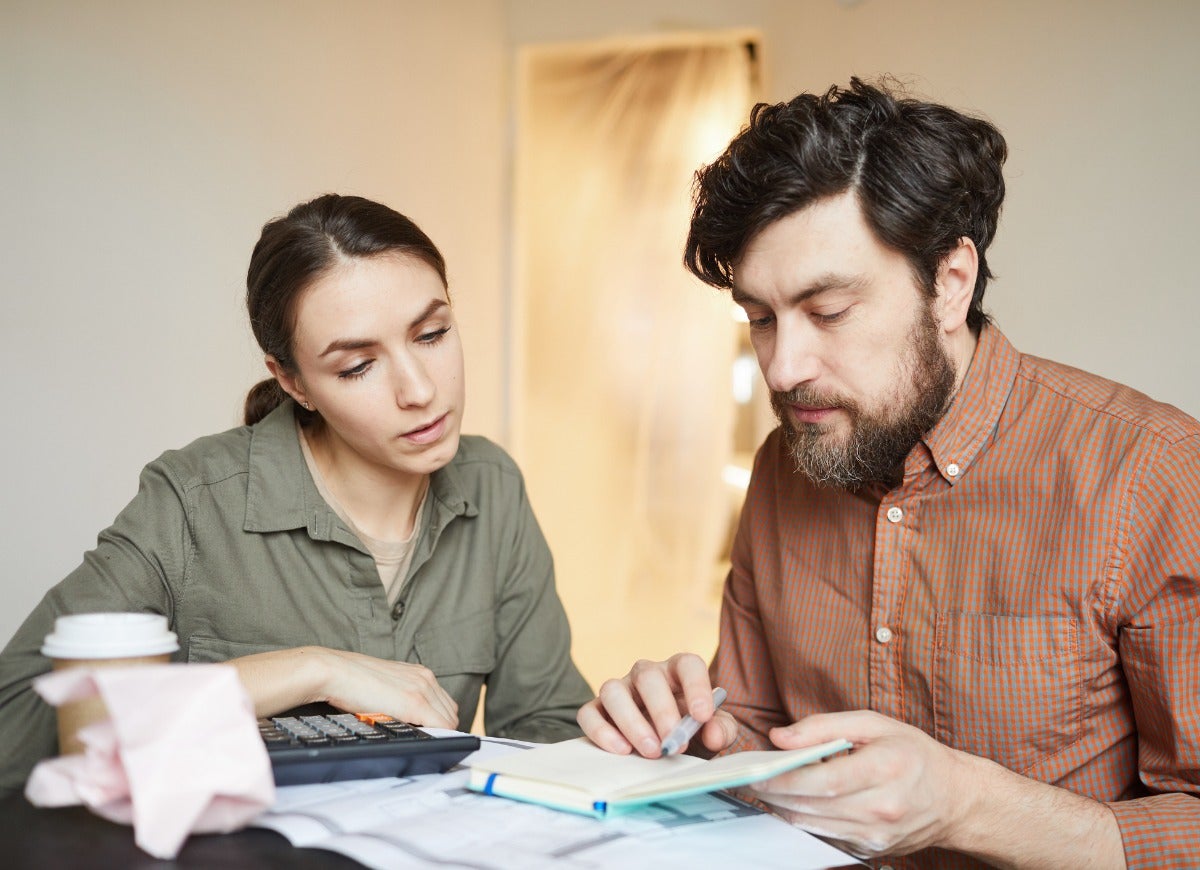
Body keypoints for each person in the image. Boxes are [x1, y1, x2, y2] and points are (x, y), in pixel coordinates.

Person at [577, 79, 1199, 867]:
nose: (782, 368)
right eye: (759, 320)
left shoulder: (1152, 473)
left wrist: (967, 806)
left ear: (950, 281)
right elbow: (756, 741)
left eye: (828, 312)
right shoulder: (788, 459)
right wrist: (678, 732)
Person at [0, 193, 592, 794]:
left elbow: (546, 731)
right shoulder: (193, 502)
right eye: (357, 366)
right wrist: (311, 670)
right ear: (292, 380)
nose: (418, 390)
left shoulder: (493, 485)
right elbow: (11, 724)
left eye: (433, 334)